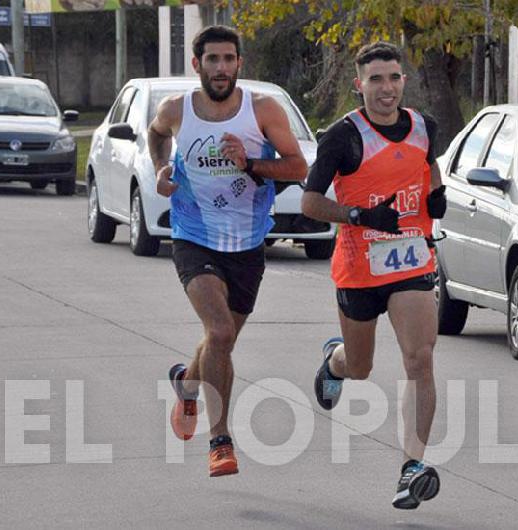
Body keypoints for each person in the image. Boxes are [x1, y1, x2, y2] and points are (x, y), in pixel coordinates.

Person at [148, 25, 307, 477]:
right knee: (218, 332)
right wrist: (162, 167)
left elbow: (298, 167)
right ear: (196, 65)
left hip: (248, 243)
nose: (221, 68)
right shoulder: (177, 109)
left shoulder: (263, 111)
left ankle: (186, 382)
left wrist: (251, 163)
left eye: (229, 59)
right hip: (193, 234)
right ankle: (220, 440)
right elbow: (156, 133)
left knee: (223, 340)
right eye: (212, 60)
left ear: (240, 64)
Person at [301, 41, 448, 509]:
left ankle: (412, 467)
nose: (386, 88)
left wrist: (437, 193)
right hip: (359, 266)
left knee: (419, 360)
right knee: (360, 368)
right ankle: (335, 362)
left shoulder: (425, 126)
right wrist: (360, 216)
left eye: (394, 78)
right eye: (376, 80)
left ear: (404, 80)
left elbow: (428, 163)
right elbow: (309, 203)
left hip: (412, 260)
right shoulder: (343, 137)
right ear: (358, 84)